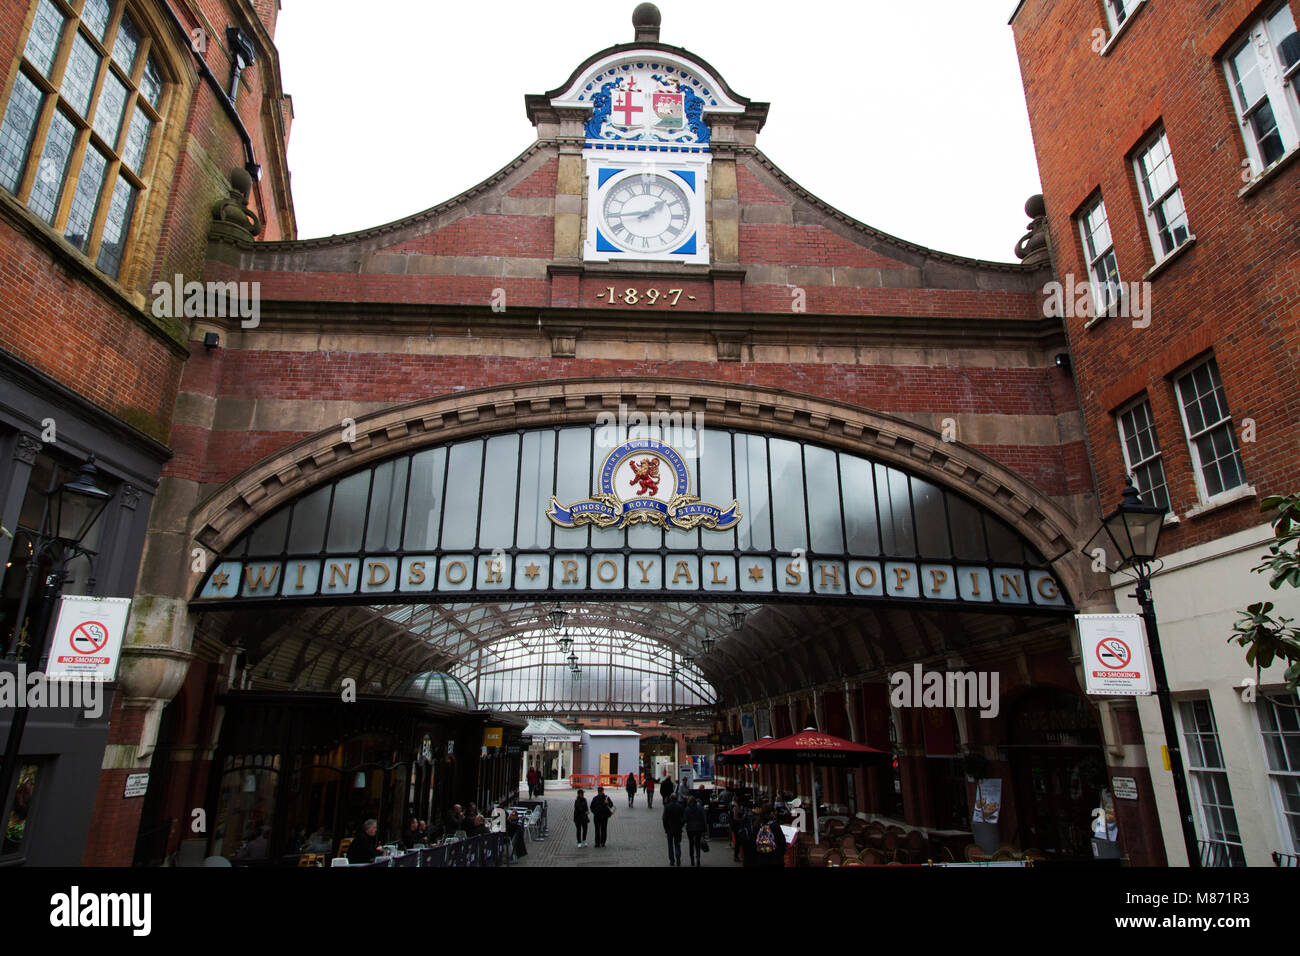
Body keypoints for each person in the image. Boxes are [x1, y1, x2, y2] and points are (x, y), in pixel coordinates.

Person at [662, 794, 685, 866]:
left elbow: (664, 819)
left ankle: (672, 860)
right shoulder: (680, 807)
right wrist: (681, 826)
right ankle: (678, 857)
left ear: (670, 799)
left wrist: (665, 828)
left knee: (670, 845)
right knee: (677, 843)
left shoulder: (667, 807)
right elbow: (683, 818)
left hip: (669, 829)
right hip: (678, 828)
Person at [685, 796, 708, 867]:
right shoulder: (700, 808)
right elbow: (704, 819)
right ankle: (698, 858)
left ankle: (692, 860)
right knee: (697, 844)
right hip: (699, 828)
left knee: (691, 844)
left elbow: (685, 819)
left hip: (690, 829)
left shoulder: (687, 809)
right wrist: (705, 829)